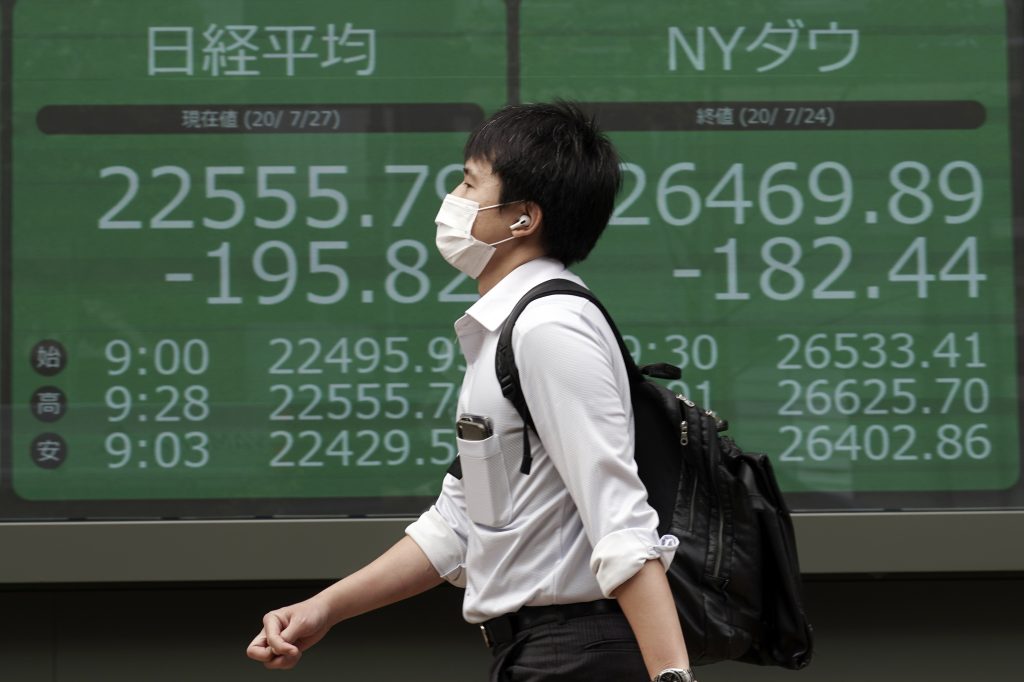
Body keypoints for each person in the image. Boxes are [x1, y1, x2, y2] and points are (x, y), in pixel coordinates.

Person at [247, 101, 696, 682]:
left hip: (577, 655)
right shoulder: (507, 333)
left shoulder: (549, 328)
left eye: (469, 182)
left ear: (521, 218)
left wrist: (671, 677)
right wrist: (322, 610)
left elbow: (622, 524)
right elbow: (460, 524)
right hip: (537, 655)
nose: (453, 199)